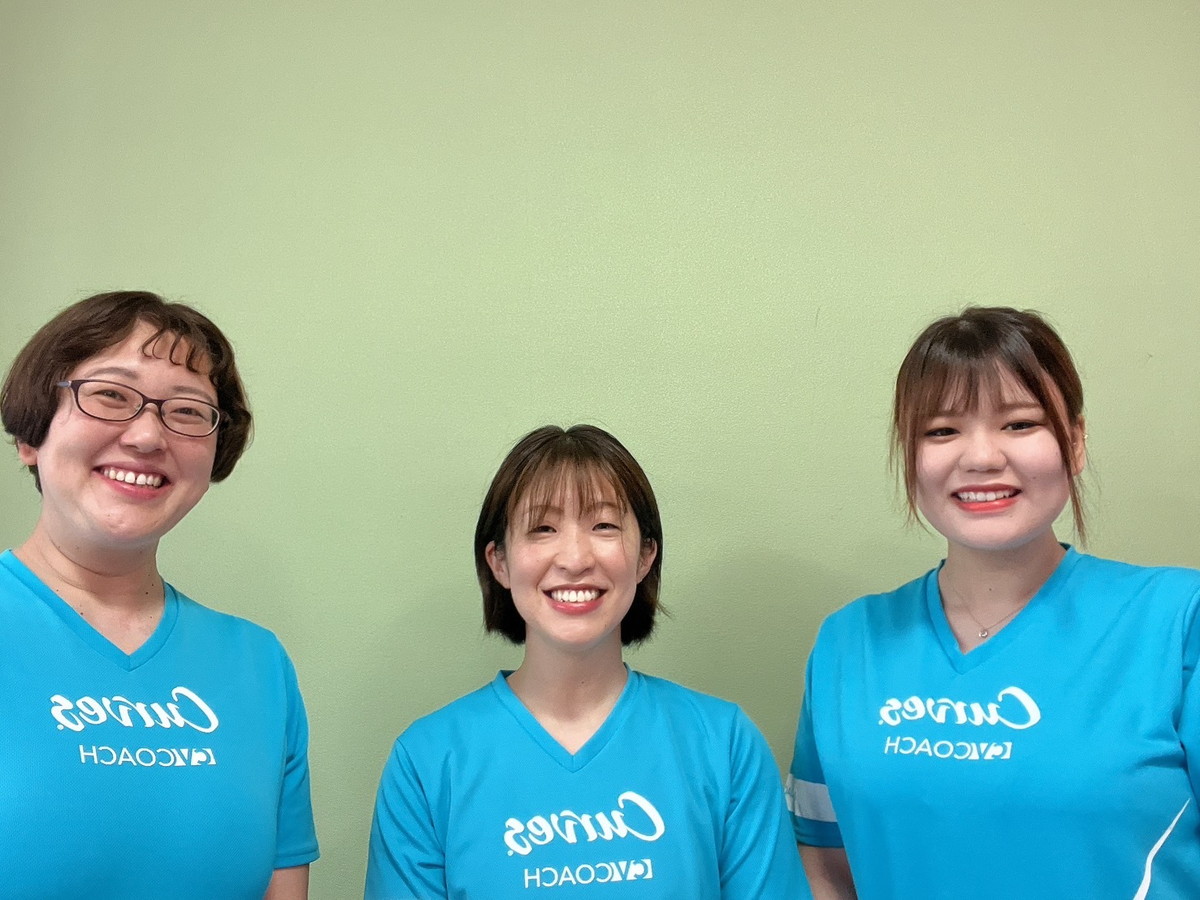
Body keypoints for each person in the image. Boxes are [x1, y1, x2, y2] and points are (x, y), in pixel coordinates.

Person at [788, 306, 1200, 898]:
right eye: (941, 431)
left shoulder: (1178, 620)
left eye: (1019, 424)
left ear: (1075, 442)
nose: (980, 457)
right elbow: (826, 865)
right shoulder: (848, 642)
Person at [366, 424, 809, 899]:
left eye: (604, 526)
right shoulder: (427, 761)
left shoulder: (724, 743)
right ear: (499, 562)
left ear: (645, 556)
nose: (575, 558)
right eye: (542, 528)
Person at [0, 291, 318, 899]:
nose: (147, 435)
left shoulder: (258, 665)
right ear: (31, 434)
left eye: (189, 410)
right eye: (110, 395)